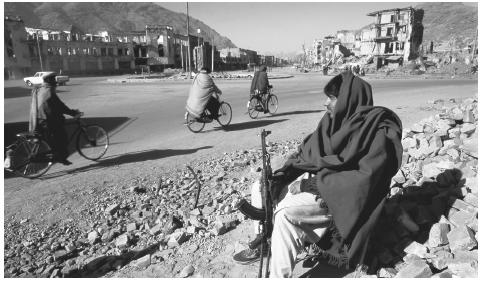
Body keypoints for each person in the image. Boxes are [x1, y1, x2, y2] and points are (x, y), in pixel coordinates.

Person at [234, 70, 403, 277]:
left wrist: (309, 185)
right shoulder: (331, 123)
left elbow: (362, 182)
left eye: (332, 98)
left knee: (285, 213)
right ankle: (265, 243)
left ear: (349, 100)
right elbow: (307, 155)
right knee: (260, 188)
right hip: (323, 182)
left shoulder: (377, 132)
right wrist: (282, 176)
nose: (325, 103)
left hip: (339, 199)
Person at [29, 72, 80, 165]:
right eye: (53, 79)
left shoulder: (41, 89)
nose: (55, 82)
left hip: (40, 119)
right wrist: (72, 112)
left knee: (55, 140)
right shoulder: (49, 91)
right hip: (47, 121)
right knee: (62, 139)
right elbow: (59, 106)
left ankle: (58, 157)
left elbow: (55, 106)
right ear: (49, 81)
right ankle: (60, 158)